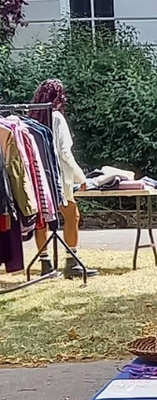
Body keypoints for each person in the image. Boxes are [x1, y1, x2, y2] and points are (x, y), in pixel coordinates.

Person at [26, 79, 92, 278]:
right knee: (72, 215)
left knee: (42, 219)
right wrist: (81, 176)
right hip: (59, 177)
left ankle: (45, 263)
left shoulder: (32, 117)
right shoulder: (56, 117)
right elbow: (65, 152)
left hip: (38, 176)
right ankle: (71, 261)